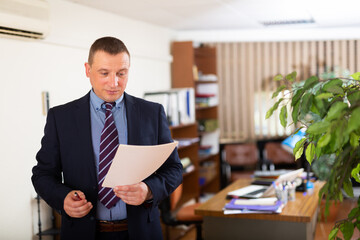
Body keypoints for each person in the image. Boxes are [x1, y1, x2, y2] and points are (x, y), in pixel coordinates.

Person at [32, 36, 183, 240]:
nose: (114, 82)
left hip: (141, 231)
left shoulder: (152, 113)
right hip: (83, 232)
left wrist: (148, 190)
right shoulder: (61, 118)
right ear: (88, 70)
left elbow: (174, 169)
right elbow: (42, 174)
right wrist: (63, 198)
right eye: (104, 73)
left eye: (121, 73)